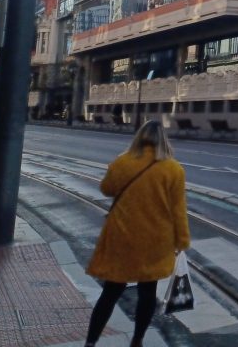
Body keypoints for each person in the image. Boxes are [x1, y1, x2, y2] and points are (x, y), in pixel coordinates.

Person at [84, 120, 190, 347]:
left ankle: (91, 342)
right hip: (155, 239)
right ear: (164, 140)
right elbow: (178, 209)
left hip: (122, 235)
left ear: (139, 138)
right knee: (148, 292)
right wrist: (182, 240)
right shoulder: (173, 169)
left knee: (111, 292)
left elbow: (107, 189)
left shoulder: (123, 162)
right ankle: (138, 339)